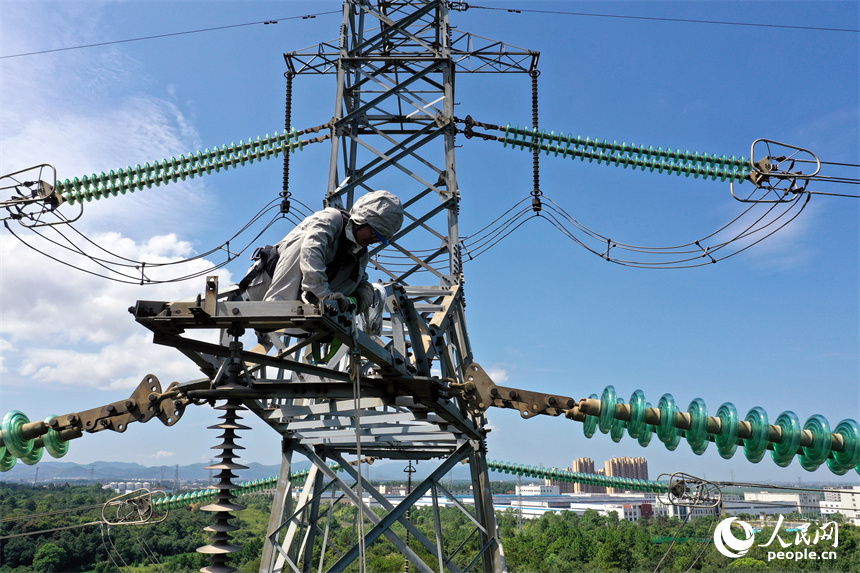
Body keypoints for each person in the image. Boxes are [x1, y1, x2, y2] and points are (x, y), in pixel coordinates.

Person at [241, 190, 403, 314]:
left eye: (381, 238)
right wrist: (324, 295)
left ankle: (321, 310)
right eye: (374, 232)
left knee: (355, 276)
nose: (375, 240)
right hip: (263, 290)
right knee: (305, 241)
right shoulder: (332, 219)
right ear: (361, 220)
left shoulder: (361, 254)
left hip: (300, 306)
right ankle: (280, 301)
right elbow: (312, 248)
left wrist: (359, 300)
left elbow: (362, 282)